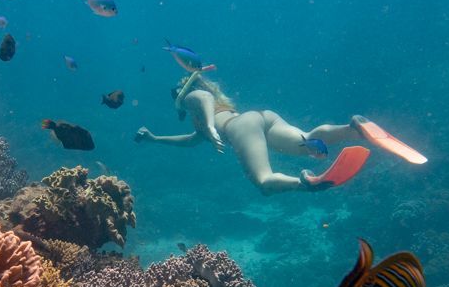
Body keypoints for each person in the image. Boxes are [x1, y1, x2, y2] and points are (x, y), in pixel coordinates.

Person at [134, 72, 426, 195]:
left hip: (242, 127)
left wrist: (209, 125)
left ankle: (306, 183)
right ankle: (353, 130)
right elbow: (191, 141)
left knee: (264, 182)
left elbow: (201, 99)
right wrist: (155, 139)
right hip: (262, 117)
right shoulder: (213, 113)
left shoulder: (191, 99)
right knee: (307, 140)